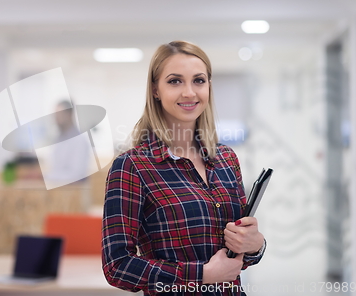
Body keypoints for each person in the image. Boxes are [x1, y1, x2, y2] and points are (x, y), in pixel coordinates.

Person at [102, 41, 266, 296]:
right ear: (155, 89)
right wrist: (202, 275)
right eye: (175, 81)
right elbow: (117, 266)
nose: (189, 92)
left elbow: (236, 260)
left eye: (198, 81)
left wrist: (255, 245)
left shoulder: (226, 159)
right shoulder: (132, 167)